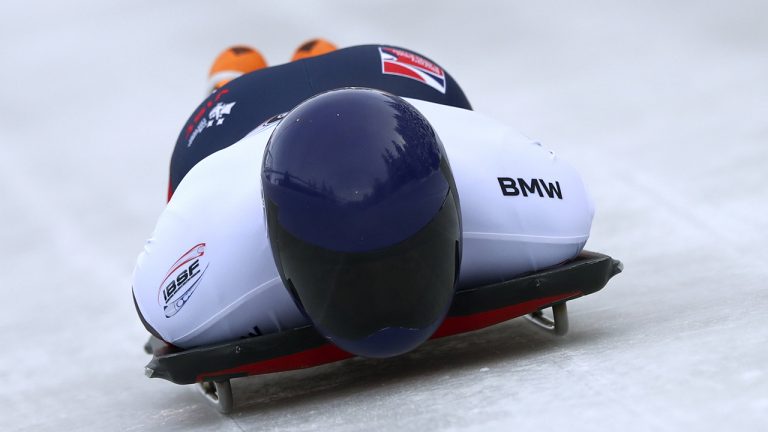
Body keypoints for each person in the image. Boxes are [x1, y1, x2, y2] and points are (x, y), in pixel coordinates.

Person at [132, 41, 593, 357]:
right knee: (182, 183)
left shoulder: (192, 311)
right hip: (242, 124)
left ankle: (272, 69)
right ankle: (250, 79)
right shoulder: (551, 222)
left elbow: (154, 303)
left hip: (392, 86)